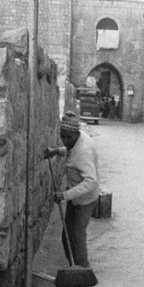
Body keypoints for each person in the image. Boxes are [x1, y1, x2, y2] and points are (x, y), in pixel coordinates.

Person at [44, 111, 100, 271]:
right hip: (75, 197)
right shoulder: (75, 140)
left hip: (86, 199)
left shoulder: (84, 151)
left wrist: (65, 195)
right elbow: (70, 149)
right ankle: (72, 268)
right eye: (63, 136)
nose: (65, 140)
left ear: (76, 134)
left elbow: (91, 181)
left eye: (68, 137)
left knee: (77, 235)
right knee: (66, 235)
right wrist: (57, 151)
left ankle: (83, 271)